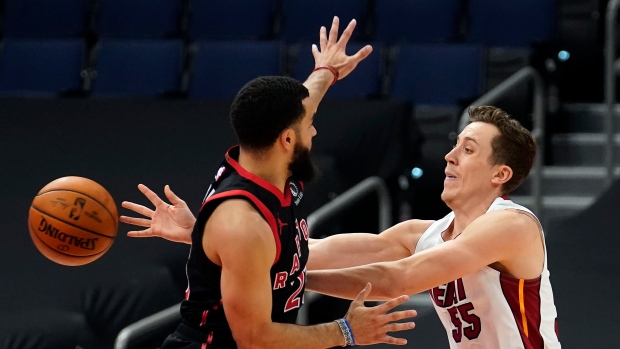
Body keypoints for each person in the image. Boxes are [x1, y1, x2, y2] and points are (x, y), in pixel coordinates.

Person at [121, 17, 416, 349]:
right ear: (288, 140)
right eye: (310, 126)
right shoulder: (243, 223)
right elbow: (255, 337)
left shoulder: (265, 158)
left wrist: (326, 72)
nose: (315, 132)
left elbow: (300, 105)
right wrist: (346, 331)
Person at [306, 106, 561, 348]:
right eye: (455, 145)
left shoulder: (513, 224)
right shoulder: (423, 234)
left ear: (500, 175)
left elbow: (397, 280)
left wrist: (300, 279)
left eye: (468, 150)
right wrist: (272, 240)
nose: (450, 157)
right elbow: (322, 251)